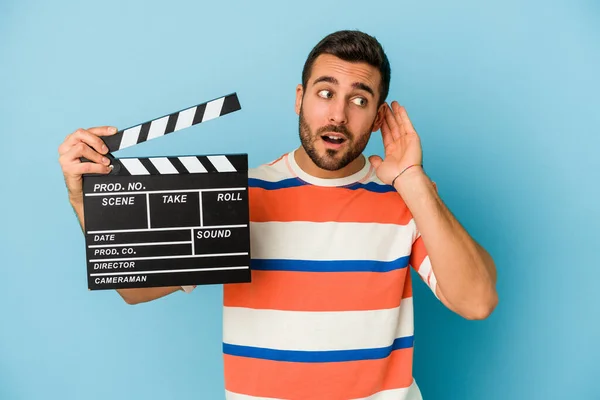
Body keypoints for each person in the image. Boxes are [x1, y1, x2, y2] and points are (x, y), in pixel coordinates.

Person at [58, 30, 498, 400]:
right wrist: (84, 203)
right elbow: (136, 292)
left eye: (359, 100)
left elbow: (477, 301)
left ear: (379, 116)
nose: (338, 115)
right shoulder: (238, 196)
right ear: (300, 99)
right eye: (325, 93)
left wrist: (414, 181)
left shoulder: (405, 198)